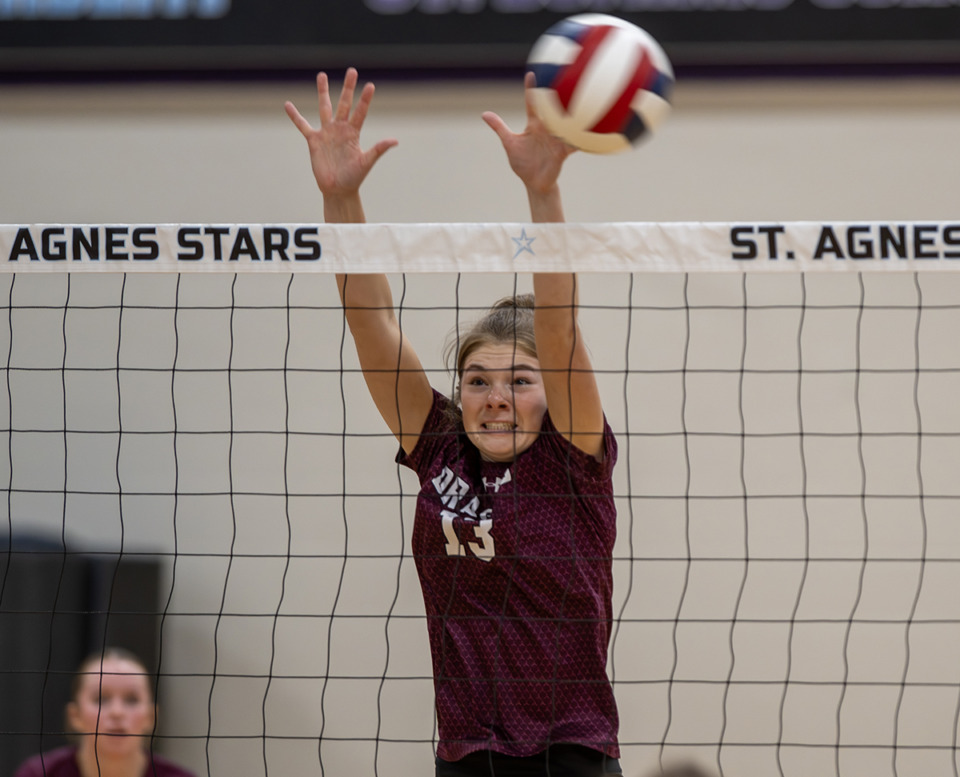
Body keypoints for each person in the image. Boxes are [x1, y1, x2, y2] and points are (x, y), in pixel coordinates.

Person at [286, 69, 620, 777]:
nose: (495, 397)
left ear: (550, 391)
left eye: (519, 381)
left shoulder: (573, 456)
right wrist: (340, 196)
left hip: (572, 751)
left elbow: (557, 328)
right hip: (469, 754)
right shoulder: (439, 447)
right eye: (477, 381)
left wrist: (542, 190)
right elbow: (371, 324)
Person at [12, 647, 194, 777]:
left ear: (150, 716)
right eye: (101, 699)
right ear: (75, 716)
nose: (117, 712)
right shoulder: (38, 773)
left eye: (131, 700)